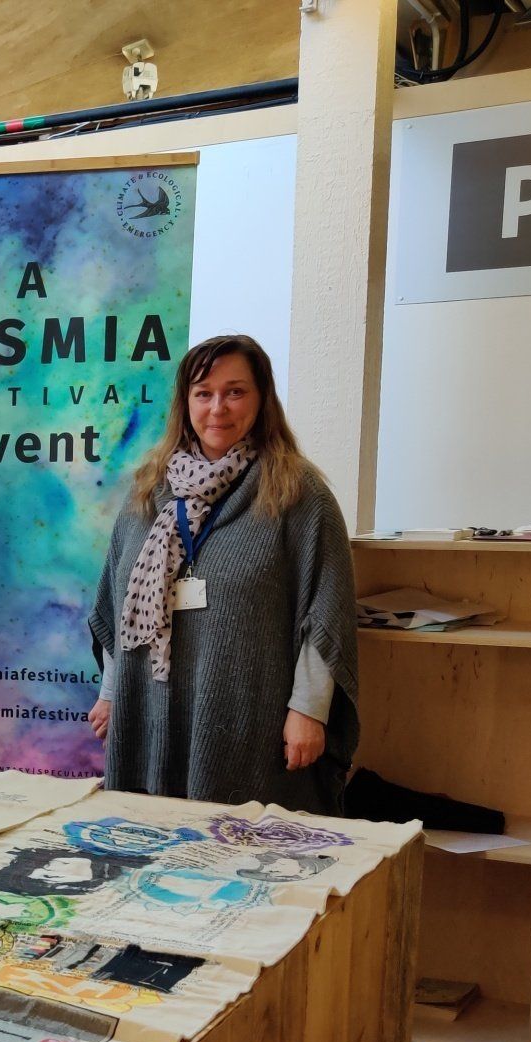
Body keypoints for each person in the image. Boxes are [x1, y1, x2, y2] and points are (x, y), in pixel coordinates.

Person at [85, 335, 357, 814]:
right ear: (185, 402)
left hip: (246, 716)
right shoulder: (148, 491)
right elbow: (117, 600)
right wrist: (111, 695)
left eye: (235, 392)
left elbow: (325, 611)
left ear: (262, 399)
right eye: (203, 393)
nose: (218, 408)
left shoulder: (299, 495)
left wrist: (309, 711)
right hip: (148, 704)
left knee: (236, 853)